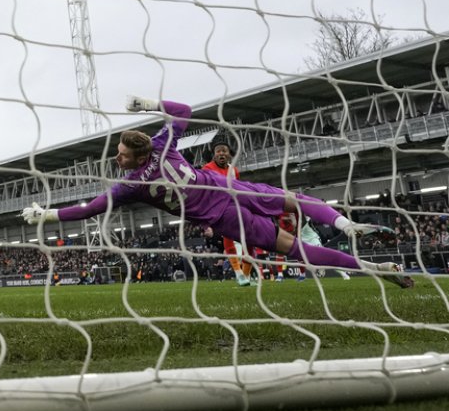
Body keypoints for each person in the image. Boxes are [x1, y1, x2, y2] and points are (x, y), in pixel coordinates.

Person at [22, 96, 413, 289]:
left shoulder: (130, 185)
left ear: (135, 153)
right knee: (293, 200)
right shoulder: (163, 145)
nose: (118, 160)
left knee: (293, 247)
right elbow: (183, 110)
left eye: (122, 155)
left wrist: (49, 215)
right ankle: (345, 225)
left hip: (227, 214)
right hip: (233, 190)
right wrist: (149, 104)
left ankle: (367, 260)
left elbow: (90, 210)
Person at [201, 132, 254, 287]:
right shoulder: (207, 168)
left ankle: (246, 275)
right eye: (218, 151)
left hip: (237, 207)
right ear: (214, 154)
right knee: (228, 237)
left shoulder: (234, 170)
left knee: (249, 239)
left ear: (229, 154)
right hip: (220, 209)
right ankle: (238, 273)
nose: (221, 153)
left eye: (224, 150)